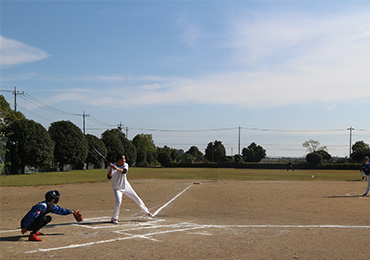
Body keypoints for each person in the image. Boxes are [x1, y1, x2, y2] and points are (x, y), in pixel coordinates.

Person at [107, 154, 153, 224]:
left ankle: (147, 212)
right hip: (117, 188)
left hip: (126, 186)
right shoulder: (111, 166)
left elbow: (124, 171)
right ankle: (114, 218)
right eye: (123, 159)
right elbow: (109, 177)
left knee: (137, 198)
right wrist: (111, 168)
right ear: (119, 160)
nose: (125, 160)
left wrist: (116, 168)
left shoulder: (125, 165)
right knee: (118, 201)